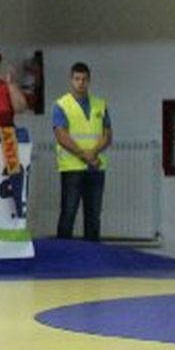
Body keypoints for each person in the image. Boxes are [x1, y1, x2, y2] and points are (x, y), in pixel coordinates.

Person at [53, 63, 112, 242]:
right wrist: (85, 155)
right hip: (72, 167)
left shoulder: (100, 104)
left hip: (95, 167)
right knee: (68, 214)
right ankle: (63, 257)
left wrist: (92, 153)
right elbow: (61, 135)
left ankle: (93, 257)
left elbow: (107, 134)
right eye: (77, 79)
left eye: (84, 79)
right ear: (71, 80)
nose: (81, 83)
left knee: (93, 216)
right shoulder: (61, 104)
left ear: (89, 81)